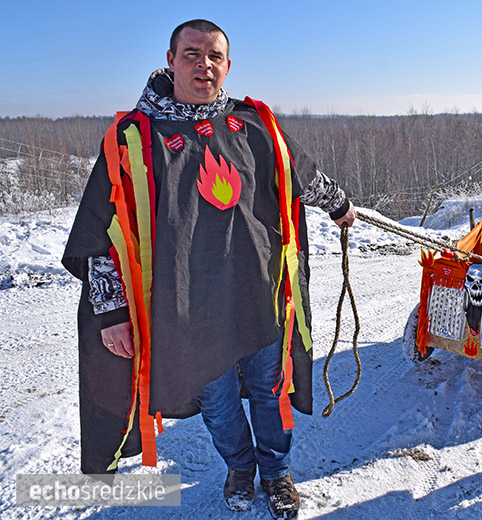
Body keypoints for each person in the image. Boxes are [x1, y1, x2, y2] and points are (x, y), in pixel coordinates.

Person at [62, 19, 355, 518]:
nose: (204, 64)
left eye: (214, 55)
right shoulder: (133, 137)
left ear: (228, 65)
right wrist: (111, 311)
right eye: (192, 53)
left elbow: (299, 171)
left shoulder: (254, 122)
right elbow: (100, 229)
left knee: (268, 387)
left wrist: (340, 204)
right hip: (185, 306)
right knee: (217, 401)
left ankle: (276, 472)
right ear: (171, 59)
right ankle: (240, 467)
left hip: (257, 292)